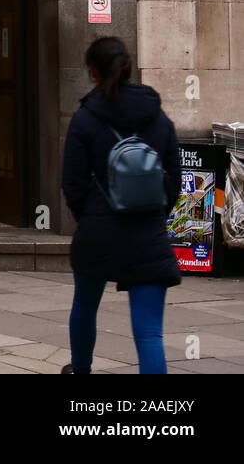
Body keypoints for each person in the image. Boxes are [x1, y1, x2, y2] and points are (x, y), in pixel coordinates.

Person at [61, 36, 181, 375]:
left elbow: (72, 183)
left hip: (98, 233)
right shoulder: (158, 118)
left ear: (94, 72)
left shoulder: (85, 119)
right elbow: (173, 175)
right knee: (149, 333)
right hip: (148, 235)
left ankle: (80, 370)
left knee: (85, 305)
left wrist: (90, 216)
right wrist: (156, 211)